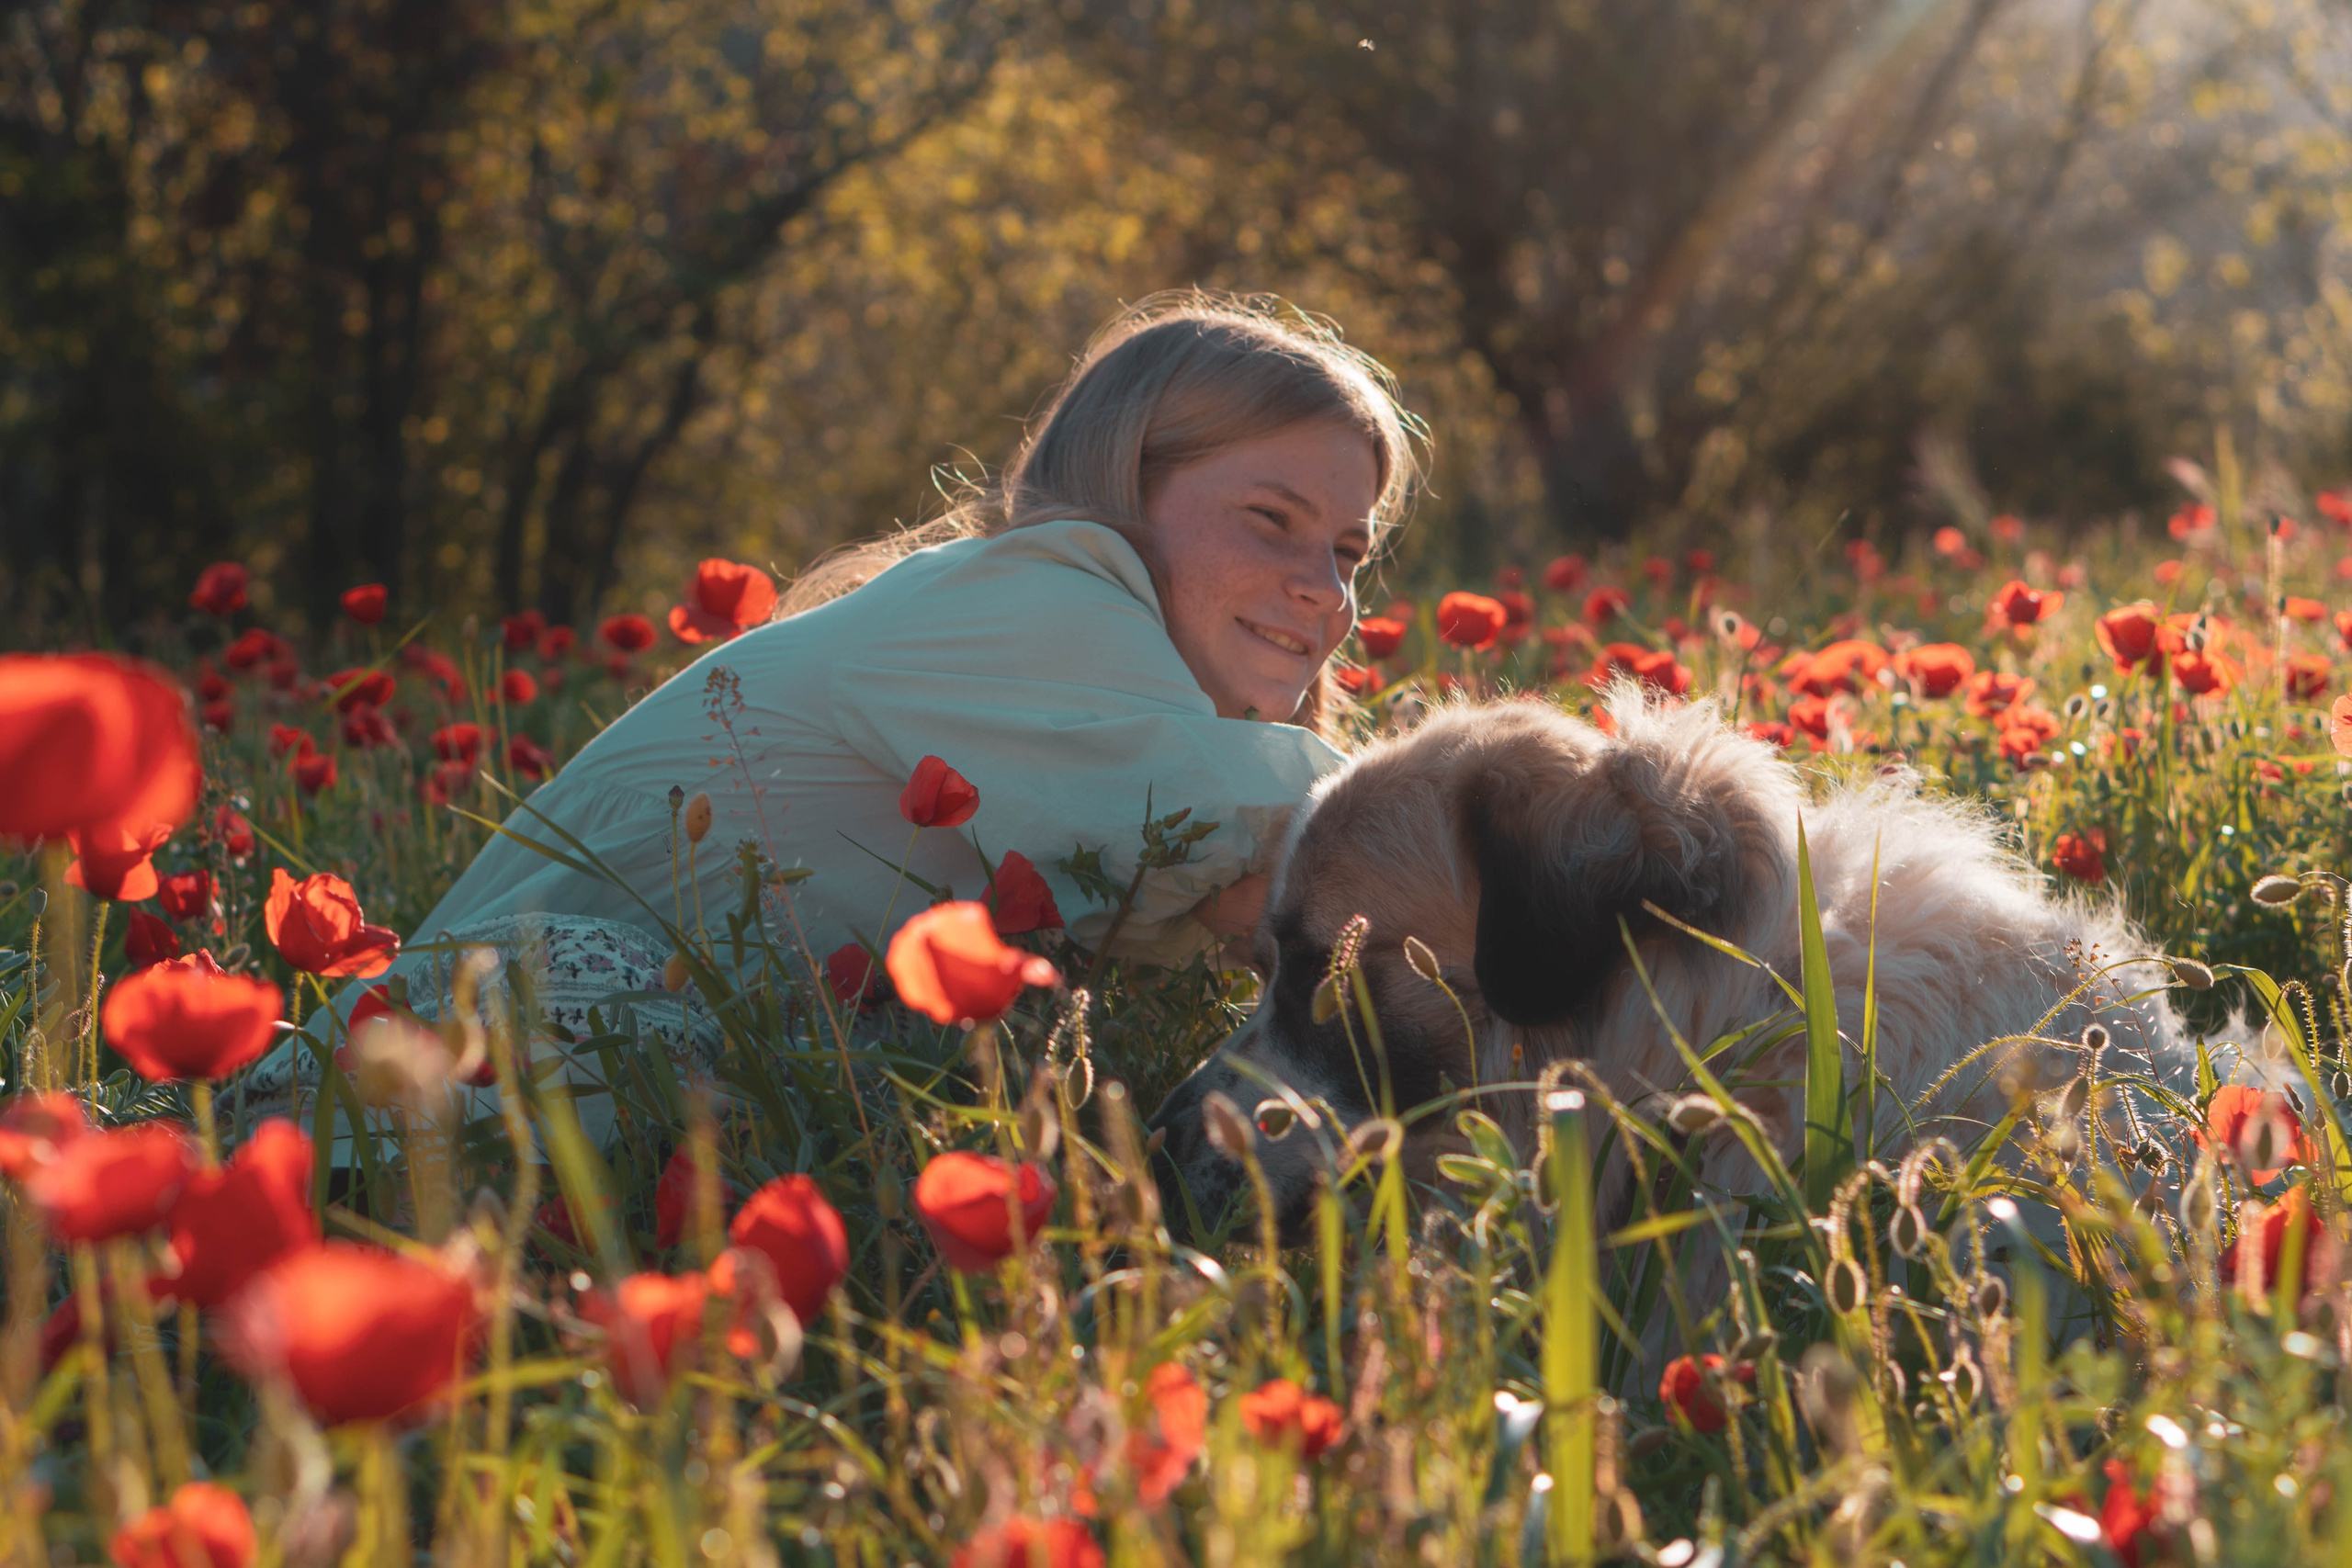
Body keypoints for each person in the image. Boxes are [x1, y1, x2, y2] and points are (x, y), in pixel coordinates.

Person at [253, 292, 1422, 1129]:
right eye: (1268, 518)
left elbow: (1254, 879)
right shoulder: (1036, 593)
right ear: (1126, 483)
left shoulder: (1117, 727)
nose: (1323, 585)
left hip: (612, 1095)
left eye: (1347, 547)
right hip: (471, 1052)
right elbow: (1286, 830)